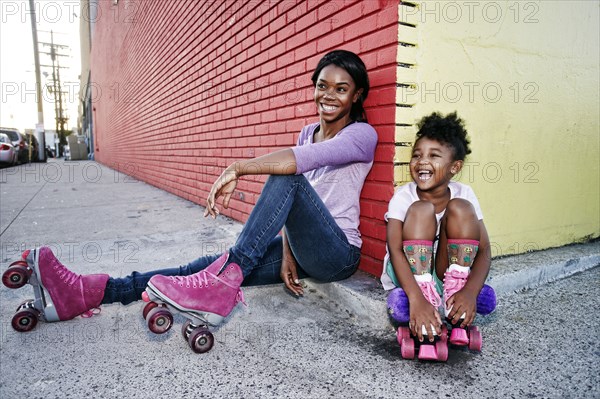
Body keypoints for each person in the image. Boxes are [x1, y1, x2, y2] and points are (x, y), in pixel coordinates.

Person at [5, 50, 378, 328]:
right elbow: (296, 205)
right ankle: (87, 292)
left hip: (337, 255)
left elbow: (295, 168)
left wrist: (238, 168)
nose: (329, 95)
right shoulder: (307, 134)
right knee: (199, 268)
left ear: (357, 96)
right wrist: (287, 252)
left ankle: (225, 283)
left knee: (285, 177)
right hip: (301, 248)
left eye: (341, 89)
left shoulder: (362, 136)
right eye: (322, 86)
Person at [382, 112, 496, 348]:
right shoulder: (403, 197)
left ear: (455, 167)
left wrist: (470, 292)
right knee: (422, 209)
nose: (422, 161)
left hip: (446, 272)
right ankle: (424, 301)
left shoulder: (464, 193)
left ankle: (454, 298)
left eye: (434, 155)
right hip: (408, 271)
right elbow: (394, 250)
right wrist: (416, 299)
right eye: (417, 155)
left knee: (462, 208)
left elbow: (484, 249)